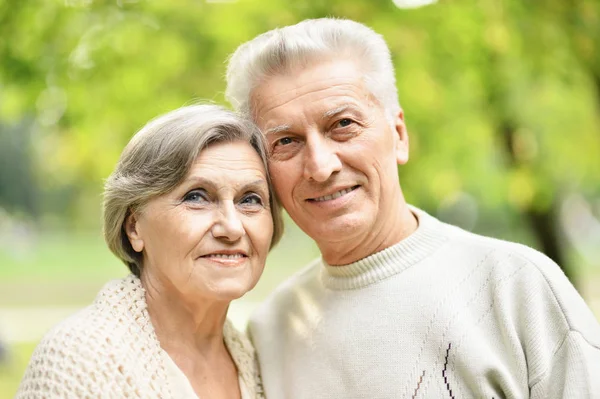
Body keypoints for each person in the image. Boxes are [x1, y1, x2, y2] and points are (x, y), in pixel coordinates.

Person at [225, 18, 600, 398]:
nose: (321, 167)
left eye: (343, 124)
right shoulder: (270, 333)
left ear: (399, 136)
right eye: (286, 141)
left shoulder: (516, 287)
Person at [16, 104, 283, 398]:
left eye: (250, 199)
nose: (232, 228)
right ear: (134, 227)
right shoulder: (78, 363)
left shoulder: (263, 362)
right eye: (197, 197)